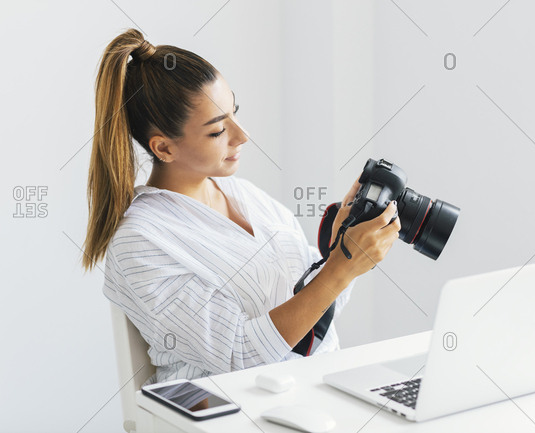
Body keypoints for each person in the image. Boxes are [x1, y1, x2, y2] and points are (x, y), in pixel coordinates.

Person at [82, 28, 401, 385]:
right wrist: (340, 269)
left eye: (235, 112)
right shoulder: (141, 242)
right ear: (164, 148)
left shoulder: (247, 196)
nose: (242, 135)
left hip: (320, 390)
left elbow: (315, 325)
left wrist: (340, 248)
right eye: (218, 130)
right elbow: (238, 355)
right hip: (228, 411)